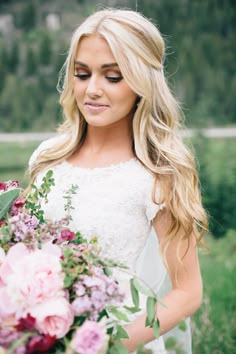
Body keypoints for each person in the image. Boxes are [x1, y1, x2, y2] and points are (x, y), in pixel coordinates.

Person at [28, 8, 208, 353]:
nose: (92, 89)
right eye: (82, 74)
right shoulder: (46, 157)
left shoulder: (157, 175)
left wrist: (104, 344)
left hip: (113, 337)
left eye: (113, 77)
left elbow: (187, 293)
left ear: (142, 82)